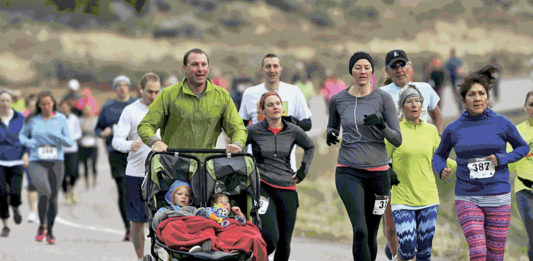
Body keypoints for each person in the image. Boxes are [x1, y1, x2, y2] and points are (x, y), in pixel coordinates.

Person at [433, 65, 528, 261]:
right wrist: (440, 168)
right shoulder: (454, 128)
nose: (477, 98)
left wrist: (502, 159)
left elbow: (522, 148)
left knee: (495, 256)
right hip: (467, 196)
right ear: (463, 99)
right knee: (478, 252)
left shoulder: (502, 122)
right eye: (472, 95)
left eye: (481, 93)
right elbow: (439, 155)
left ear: (487, 97)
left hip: (498, 196)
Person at [326, 51, 401, 261]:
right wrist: (330, 134)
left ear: (372, 71)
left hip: (379, 176)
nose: (362, 71)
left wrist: (381, 125)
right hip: (349, 171)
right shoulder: (338, 100)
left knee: (370, 233)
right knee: (360, 229)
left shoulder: (383, 98)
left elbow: (397, 139)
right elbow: (332, 126)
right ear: (351, 70)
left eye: (367, 67)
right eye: (358, 67)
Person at [380, 49, 444, 259]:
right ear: (388, 71)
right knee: (391, 220)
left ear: (409, 66)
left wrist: (440, 145)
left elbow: (436, 114)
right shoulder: (381, 94)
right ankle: (397, 252)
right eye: (394, 66)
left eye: (402, 64)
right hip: (390, 165)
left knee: (419, 228)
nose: (399, 70)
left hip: (417, 162)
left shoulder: (425, 89)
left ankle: (404, 253)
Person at [385, 86, 456, 261]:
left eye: (417, 101)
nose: (414, 104)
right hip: (403, 199)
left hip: (428, 198)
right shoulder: (394, 132)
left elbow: (440, 157)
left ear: (422, 106)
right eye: (409, 101)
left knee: (424, 253)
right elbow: (381, 161)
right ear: (402, 107)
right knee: (408, 249)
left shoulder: (431, 131)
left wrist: (462, 165)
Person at [246, 91, 314, 261]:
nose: (275, 107)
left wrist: (302, 170)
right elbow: (237, 145)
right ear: (263, 110)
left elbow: (310, 146)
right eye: (270, 104)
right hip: (262, 186)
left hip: (287, 187)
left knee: (285, 241)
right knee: (270, 238)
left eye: (278, 103)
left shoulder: (293, 130)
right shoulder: (254, 130)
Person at [138, 48, 246, 154]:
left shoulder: (222, 96)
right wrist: (155, 141)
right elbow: (146, 125)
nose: (200, 69)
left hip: (205, 165)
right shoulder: (168, 94)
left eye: (204, 64)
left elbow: (238, 128)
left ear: (208, 67)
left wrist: (237, 144)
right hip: (173, 164)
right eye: (195, 64)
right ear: (184, 68)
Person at [112, 72, 161, 260]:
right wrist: (129, 145)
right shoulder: (130, 111)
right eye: (149, 92)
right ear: (140, 90)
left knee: (162, 220)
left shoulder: (165, 110)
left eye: (157, 92)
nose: (154, 96)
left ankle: (159, 255)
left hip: (161, 174)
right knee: (138, 222)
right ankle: (140, 258)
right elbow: (117, 141)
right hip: (136, 173)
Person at [239, 53, 312, 172]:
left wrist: (292, 121)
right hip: (257, 168)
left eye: (275, 66)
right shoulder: (250, 93)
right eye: (268, 66)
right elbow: (240, 126)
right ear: (262, 69)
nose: (272, 70)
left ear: (280, 69)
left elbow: (308, 125)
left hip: (286, 167)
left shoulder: (294, 92)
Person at [19, 91, 74, 244]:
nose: (46, 107)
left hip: (56, 161)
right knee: (45, 191)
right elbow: (22, 136)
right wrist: (30, 143)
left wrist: (58, 138)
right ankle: (41, 224)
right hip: (37, 161)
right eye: (43, 104)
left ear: (53, 104)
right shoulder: (32, 119)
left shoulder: (61, 119)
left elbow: (69, 142)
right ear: (39, 105)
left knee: (53, 197)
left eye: (48, 104)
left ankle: (49, 230)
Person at [96, 75, 137, 241]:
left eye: (125, 85)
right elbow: (98, 128)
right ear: (115, 88)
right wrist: (103, 133)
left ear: (129, 87)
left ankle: (140, 222)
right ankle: (128, 227)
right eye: (119, 85)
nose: (122, 88)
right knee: (123, 190)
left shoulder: (137, 104)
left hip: (136, 152)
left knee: (139, 189)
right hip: (116, 153)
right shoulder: (108, 107)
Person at [0, 89, 29, 237]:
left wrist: (26, 153)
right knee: (1, 193)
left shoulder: (20, 118)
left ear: (12, 102)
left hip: (17, 159)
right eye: (2, 100)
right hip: (0, 161)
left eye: (7, 100)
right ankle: (5, 225)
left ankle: (16, 206)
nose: (4, 103)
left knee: (15, 192)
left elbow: (27, 137)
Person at [508, 91, 533, 260]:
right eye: (531, 105)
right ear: (525, 107)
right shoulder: (517, 132)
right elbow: (509, 164)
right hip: (525, 190)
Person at [58, 99, 82, 205]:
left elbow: (78, 132)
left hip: (73, 149)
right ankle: (66, 194)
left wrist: (72, 138)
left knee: (74, 173)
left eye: (66, 106)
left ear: (69, 107)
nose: (64, 108)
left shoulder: (74, 118)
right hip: (61, 150)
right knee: (62, 174)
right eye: (62, 106)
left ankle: (71, 188)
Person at [79, 105, 98, 189]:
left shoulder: (95, 119)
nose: (87, 111)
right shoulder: (80, 120)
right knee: (85, 166)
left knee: (94, 165)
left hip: (93, 145)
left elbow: (97, 131)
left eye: (88, 110)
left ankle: (94, 182)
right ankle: (87, 184)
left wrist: (86, 131)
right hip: (83, 145)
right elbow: (78, 131)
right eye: (85, 110)